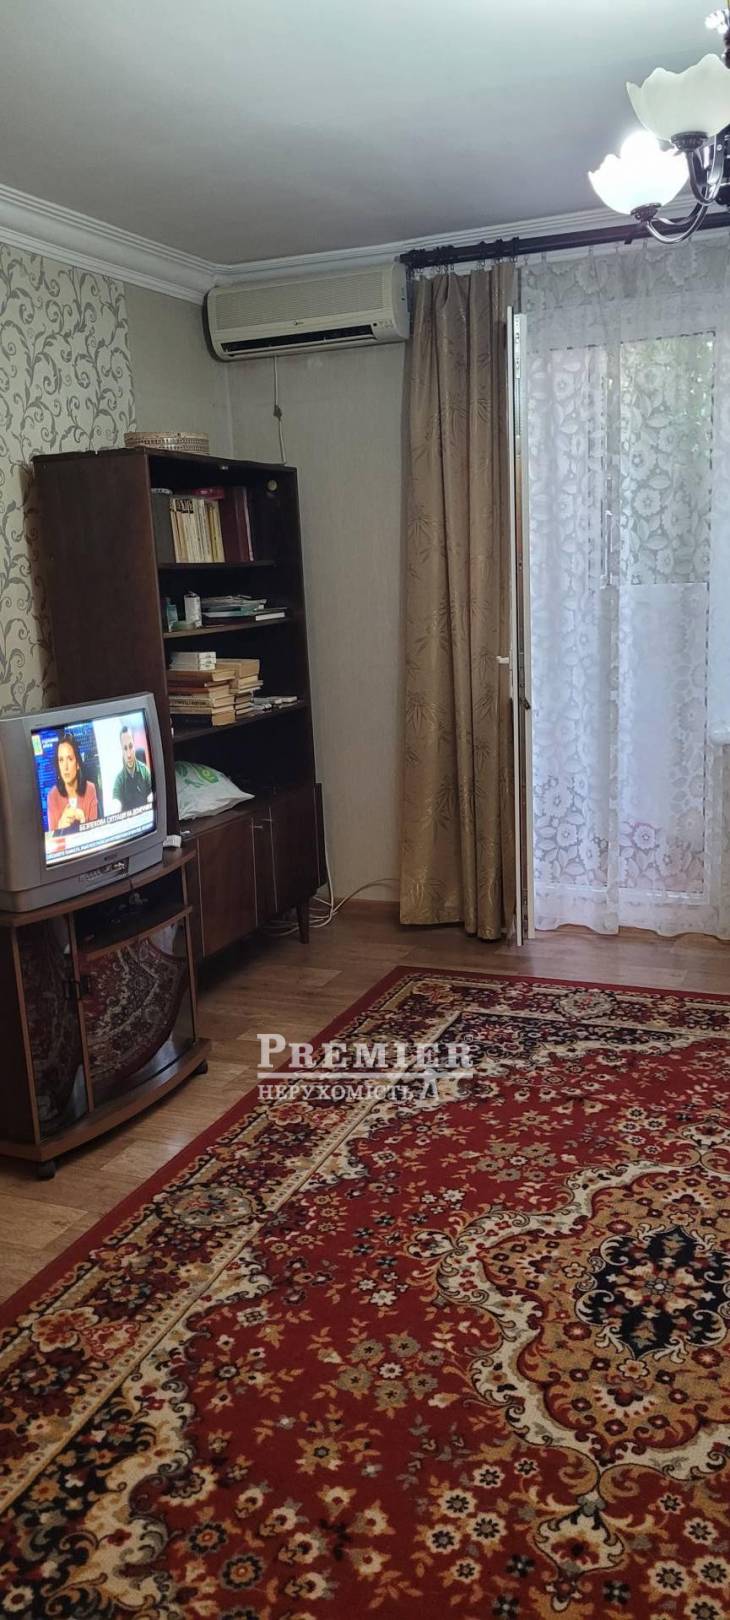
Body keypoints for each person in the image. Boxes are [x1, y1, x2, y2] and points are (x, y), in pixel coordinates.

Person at [47, 734, 99, 833]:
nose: (65, 767)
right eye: (61, 760)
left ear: (77, 764)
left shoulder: (90, 789)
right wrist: (60, 826)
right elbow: (52, 838)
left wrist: (83, 821)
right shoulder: (52, 796)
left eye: (70, 759)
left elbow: (95, 833)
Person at [112, 723, 152, 811]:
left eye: (130, 747)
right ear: (121, 750)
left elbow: (152, 792)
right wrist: (115, 806)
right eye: (125, 748)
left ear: (134, 746)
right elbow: (116, 801)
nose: (129, 754)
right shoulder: (119, 779)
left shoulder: (145, 771)